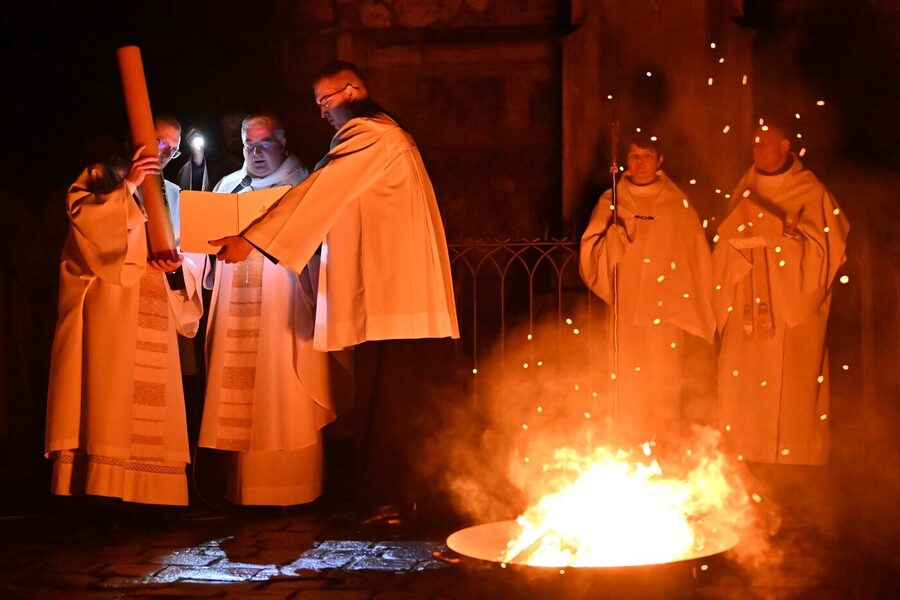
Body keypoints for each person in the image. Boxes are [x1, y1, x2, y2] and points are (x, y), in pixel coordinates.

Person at [210, 62, 460, 517]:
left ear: (353, 91)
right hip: (394, 294)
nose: (323, 112)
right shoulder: (384, 133)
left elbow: (322, 189)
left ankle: (398, 497)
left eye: (326, 101)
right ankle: (404, 495)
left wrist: (251, 239)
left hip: (392, 292)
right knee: (393, 399)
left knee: (393, 403)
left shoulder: (369, 132)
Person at [45, 135, 203, 506]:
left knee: (151, 400)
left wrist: (178, 267)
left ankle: (152, 498)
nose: (164, 153)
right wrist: (128, 185)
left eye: (172, 148)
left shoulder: (175, 193)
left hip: (154, 300)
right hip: (111, 306)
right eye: (158, 143)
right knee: (109, 395)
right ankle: (103, 493)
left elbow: (191, 250)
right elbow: (89, 220)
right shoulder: (101, 176)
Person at [197, 112, 338, 507]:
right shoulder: (228, 186)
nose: (256, 153)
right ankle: (245, 493)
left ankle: (297, 490)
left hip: (285, 308)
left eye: (264, 144)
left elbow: (318, 245)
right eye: (248, 145)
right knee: (242, 394)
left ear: (282, 142)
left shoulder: (302, 185)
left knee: (284, 388)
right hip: (234, 306)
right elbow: (204, 247)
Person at [713, 119, 848, 465]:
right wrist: (740, 245)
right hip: (747, 300)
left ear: (785, 146)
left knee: (789, 388)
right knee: (742, 381)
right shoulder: (745, 187)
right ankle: (743, 455)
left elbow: (828, 248)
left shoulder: (810, 191)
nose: (757, 150)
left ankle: (791, 465)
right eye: (754, 144)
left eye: (765, 143)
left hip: (789, 308)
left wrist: (787, 242)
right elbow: (726, 242)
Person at [580, 134, 716, 444]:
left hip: (664, 312)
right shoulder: (611, 199)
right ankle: (626, 441)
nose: (640, 163)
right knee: (626, 378)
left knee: (663, 380)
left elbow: (695, 254)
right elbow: (591, 248)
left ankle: (664, 442)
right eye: (634, 156)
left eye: (647, 156)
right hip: (625, 308)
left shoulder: (676, 204)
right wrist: (609, 244)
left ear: (660, 160)